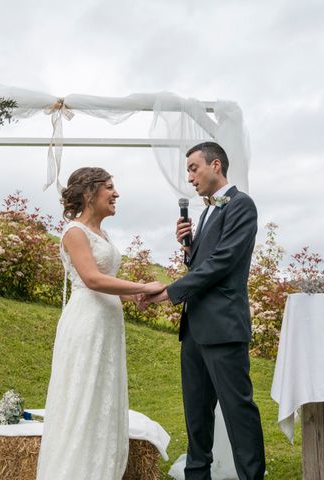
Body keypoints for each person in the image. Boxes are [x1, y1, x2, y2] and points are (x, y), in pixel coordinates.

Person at [145, 142, 266, 479]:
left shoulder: (241, 205)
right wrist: (188, 247)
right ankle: (197, 475)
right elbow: (202, 260)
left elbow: (223, 262)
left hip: (224, 327)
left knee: (238, 411)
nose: (189, 177)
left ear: (216, 165)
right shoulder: (209, 210)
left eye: (193, 168)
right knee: (197, 413)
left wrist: (172, 292)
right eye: (188, 171)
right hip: (195, 329)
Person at [36, 167, 165, 480]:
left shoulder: (102, 235)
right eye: (109, 187)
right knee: (83, 394)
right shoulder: (74, 232)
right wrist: (141, 287)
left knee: (102, 394)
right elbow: (92, 280)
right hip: (87, 325)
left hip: (106, 325)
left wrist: (130, 297)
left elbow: (105, 285)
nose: (116, 193)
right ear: (88, 193)